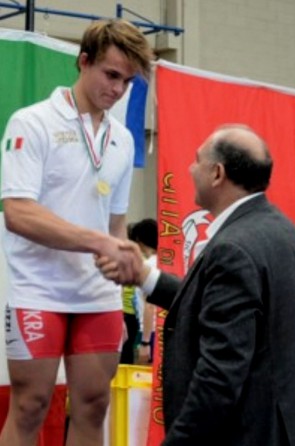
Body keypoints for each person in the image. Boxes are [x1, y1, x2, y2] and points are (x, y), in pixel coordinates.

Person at [96, 124, 295, 445]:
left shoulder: (232, 248)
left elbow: (220, 375)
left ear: (217, 173)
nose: (190, 169)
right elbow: (218, 308)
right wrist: (146, 278)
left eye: (196, 160)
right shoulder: (282, 231)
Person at [0, 19, 152, 446]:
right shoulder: (32, 123)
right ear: (83, 61)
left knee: (94, 405)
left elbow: (115, 224)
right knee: (30, 406)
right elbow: (19, 214)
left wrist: (126, 283)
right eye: (111, 74)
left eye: (127, 81)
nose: (118, 89)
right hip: (39, 290)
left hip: (98, 296)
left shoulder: (121, 139)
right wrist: (98, 241)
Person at [131, 218, 158, 364]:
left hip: (149, 332)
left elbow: (150, 305)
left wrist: (145, 342)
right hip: (161, 330)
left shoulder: (147, 267)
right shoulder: (167, 263)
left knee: (142, 383)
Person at [120, 223, 140, 364]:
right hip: (129, 312)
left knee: (126, 351)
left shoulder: (134, 259)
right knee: (127, 350)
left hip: (129, 312)